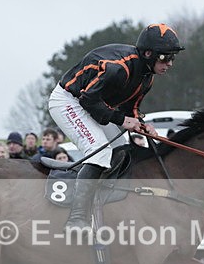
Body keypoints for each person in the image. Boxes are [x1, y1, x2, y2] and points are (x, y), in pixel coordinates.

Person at [48, 23, 184, 232]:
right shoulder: (118, 68)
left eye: (173, 58)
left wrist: (140, 125)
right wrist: (122, 120)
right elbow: (88, 100)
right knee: (98, 152)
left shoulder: (147, 78)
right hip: (69, 101)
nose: (170, 63)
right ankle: (76, 218)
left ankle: (100, 201)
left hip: (93, 104)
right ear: (148, 53)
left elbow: (130, 109)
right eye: (165, 57)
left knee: (121, 149)